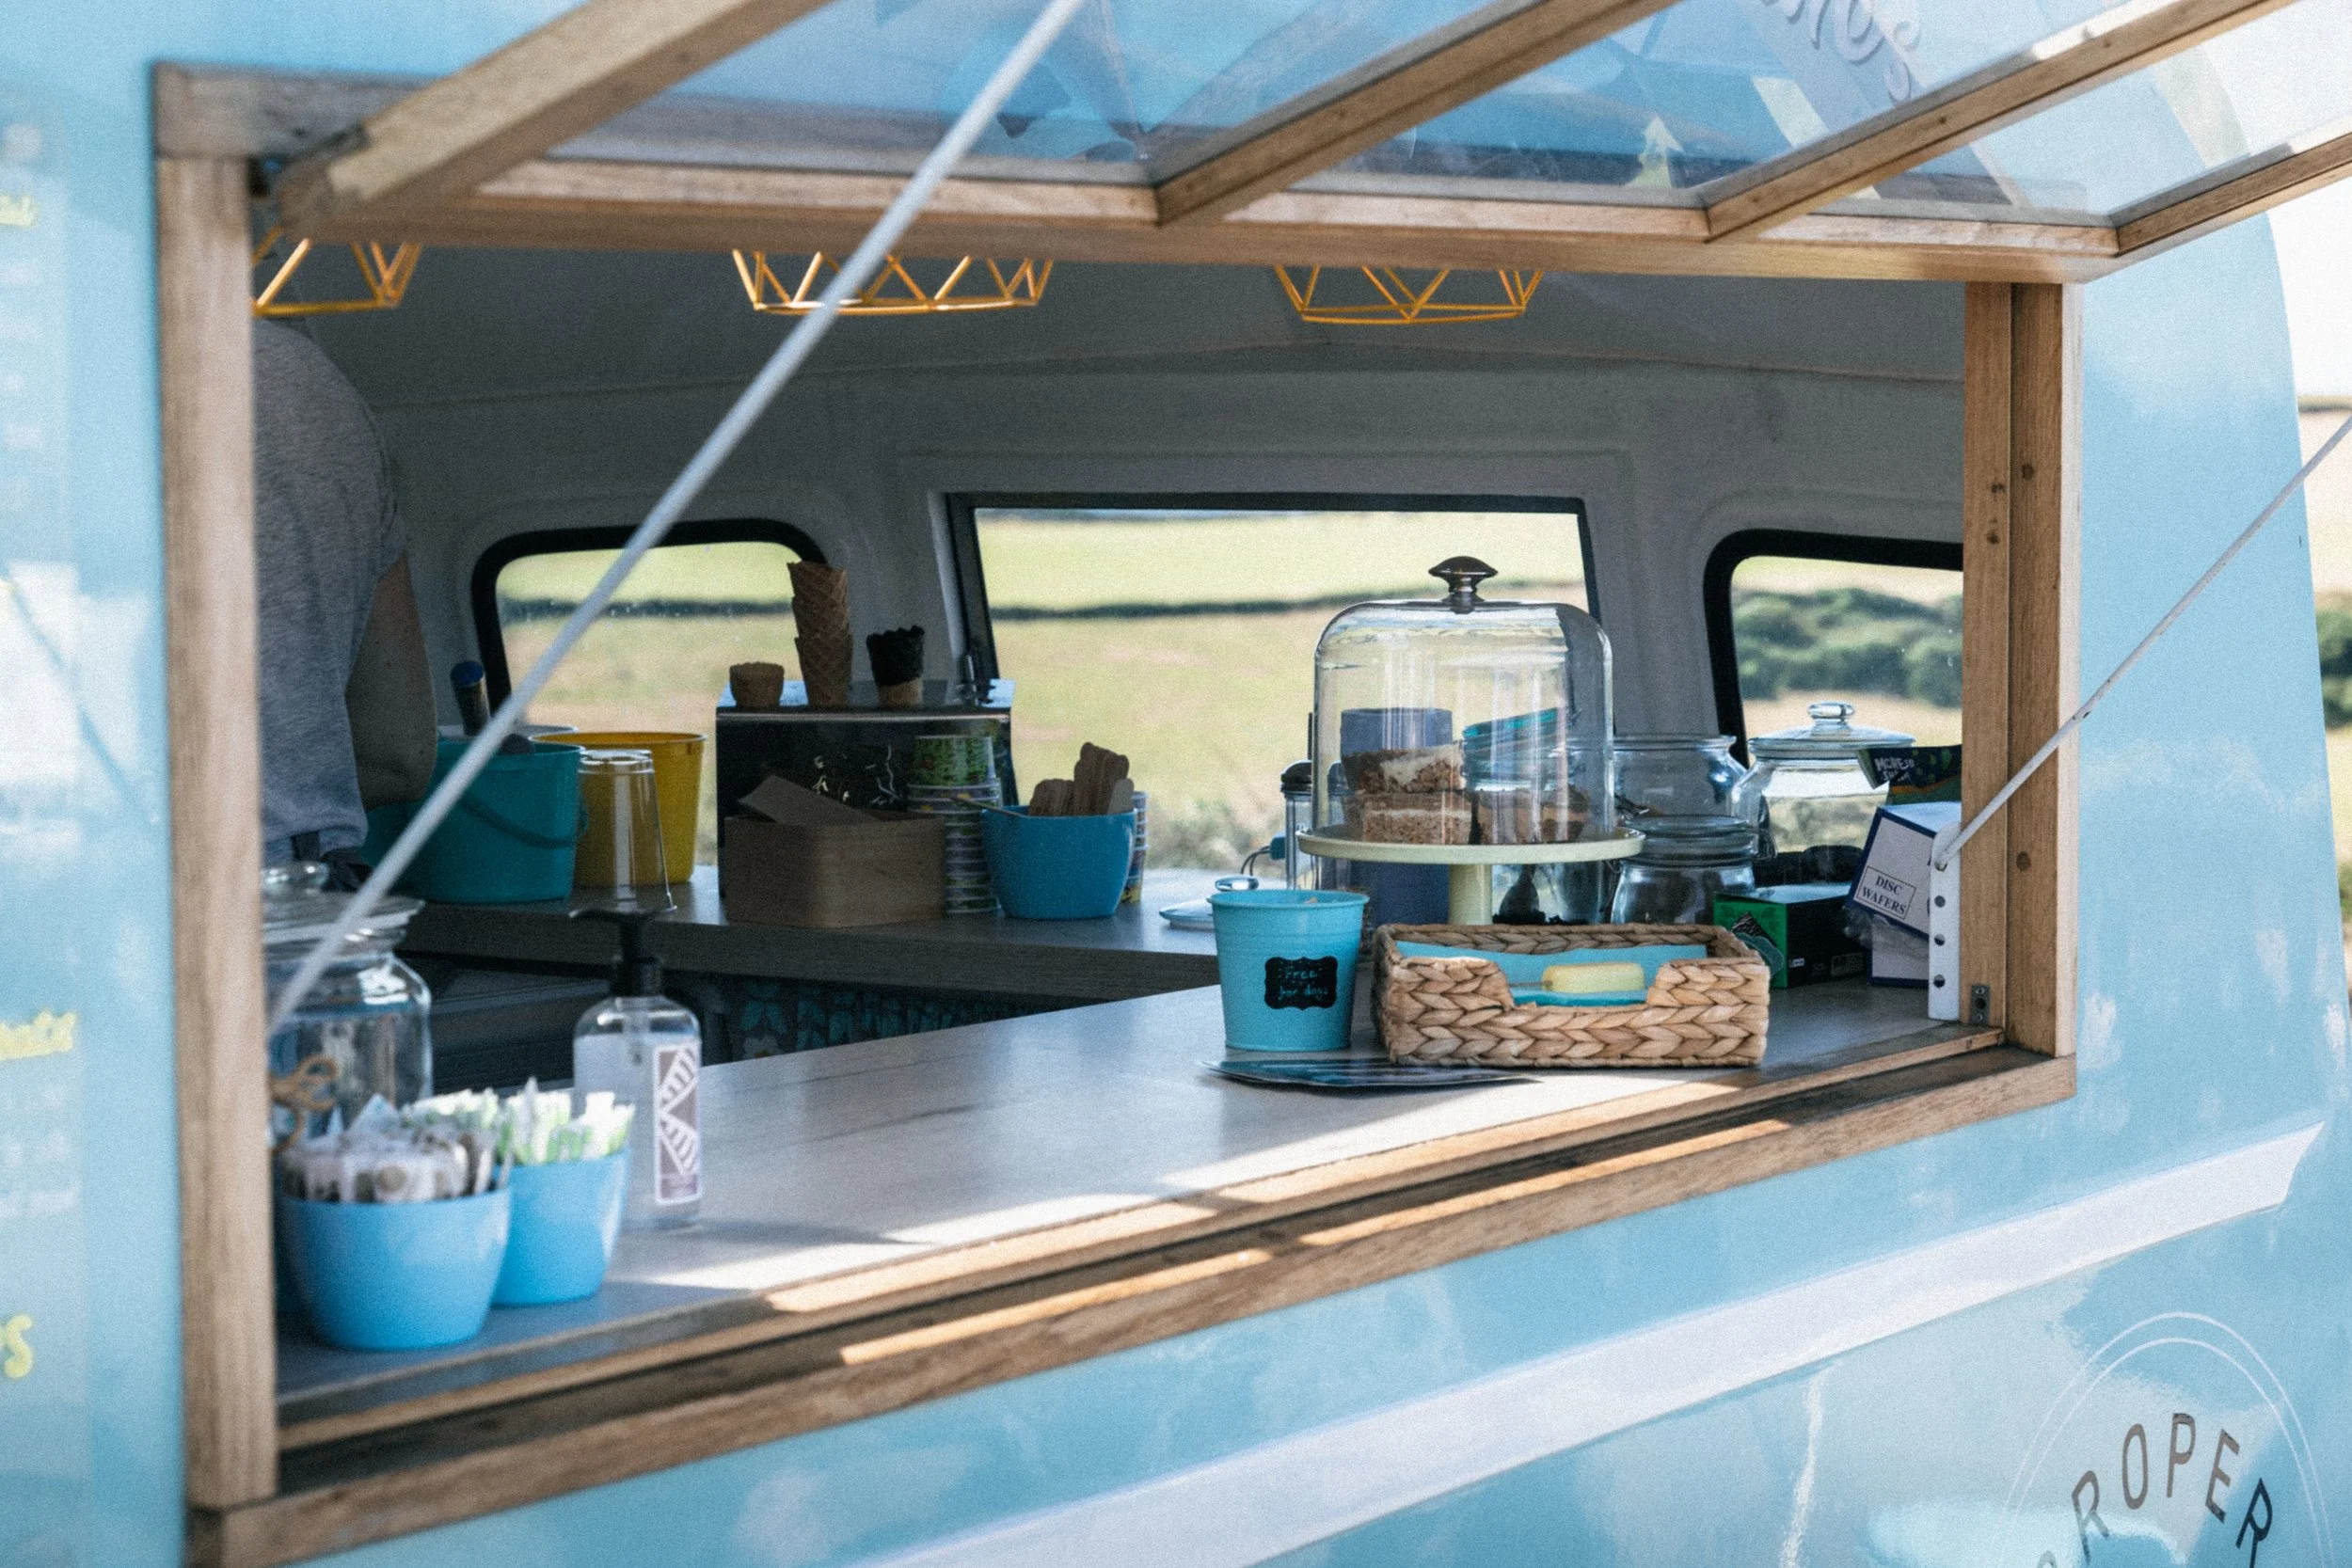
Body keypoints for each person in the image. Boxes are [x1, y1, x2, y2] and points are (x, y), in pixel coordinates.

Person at [252, 319, 436, 881]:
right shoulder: (320, 391)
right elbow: (397, 754)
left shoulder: (43, 368)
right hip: (311, 905)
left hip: (98, 910)